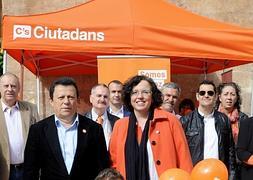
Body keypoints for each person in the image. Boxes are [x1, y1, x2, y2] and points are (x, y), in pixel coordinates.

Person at [24, 77, 110, 180]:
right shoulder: (38, 130)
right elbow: (30, 170)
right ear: (51, 101)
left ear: (77, 100)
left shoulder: (94, 129)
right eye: (61, 97)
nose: (66, 102)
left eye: (70, 97)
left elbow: (102, 168)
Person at [109, 75, 192, 180]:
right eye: (134, 92)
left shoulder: (170, 121)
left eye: (145, 92)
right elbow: (114, 165)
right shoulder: (120, 126)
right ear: (129, 98)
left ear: (153, 97)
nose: (140, 96)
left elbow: (184, 160)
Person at [180, 80, 237, 180]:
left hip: (219, 175)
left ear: (215, 97)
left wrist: (231, 176)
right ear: (197, 96)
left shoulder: (223, 120)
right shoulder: (185, 121)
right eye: (202, 93)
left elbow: (230, 152)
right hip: (195, 175)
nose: (206, 95)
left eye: (210, 93)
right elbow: (181, 152)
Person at [0, 72, 39, 180]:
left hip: (28, 169)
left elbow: (39, 138)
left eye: (13, 86)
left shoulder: (31, 109)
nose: (10, 89)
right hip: (4, 171)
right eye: (6, 86)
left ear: (19, 89)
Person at [84, 84, 119, 149]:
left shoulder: (117, 122)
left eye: (105, 97)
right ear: (91, 98)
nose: (102, 99)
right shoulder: (82, 121)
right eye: (99, 96)